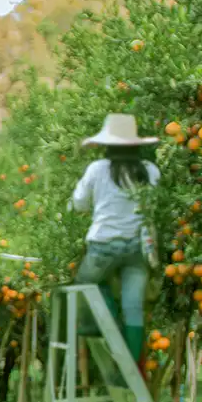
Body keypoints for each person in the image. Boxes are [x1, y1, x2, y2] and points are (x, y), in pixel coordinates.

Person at [70, 112, 160, 369]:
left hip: (103, 246)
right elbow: (155, 205)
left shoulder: (98, 169)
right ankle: (130, 366)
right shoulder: (150, 171)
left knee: (86, 283)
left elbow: (79, 203)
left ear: (107, 145)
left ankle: (107, 326)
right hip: (138, 248)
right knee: (133, 306)